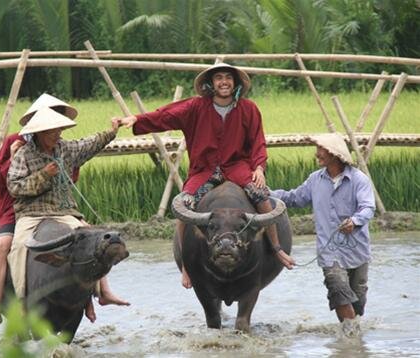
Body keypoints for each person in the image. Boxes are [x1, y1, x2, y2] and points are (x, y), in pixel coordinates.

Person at [117, 62, 295, 289]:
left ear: (235, 83)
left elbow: (258, 142)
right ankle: (185, 265)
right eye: (219, 78)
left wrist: (258, 168)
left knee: (262, 200)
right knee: (184, 206)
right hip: (204, 169)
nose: (224, 82)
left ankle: (277, 248)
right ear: (211, 84)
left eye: (228, 78)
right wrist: (137, 120)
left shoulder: (248, 109)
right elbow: (166, 115)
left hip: (237, 166)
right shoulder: (195, 107)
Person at [0, 94, 127, 331]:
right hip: (31, 214)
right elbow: (14, 187)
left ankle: (101, 292)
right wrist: (43, 175)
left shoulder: (65, 148)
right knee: (19, 247)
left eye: (59, 129)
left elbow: (88, 144)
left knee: (92, 237)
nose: (57, 134)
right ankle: (19, 302)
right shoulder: (22, 153)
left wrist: (111, 132)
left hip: (64, 210)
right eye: (52, 130)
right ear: (38, 131)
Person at [270, 133, 375, 336]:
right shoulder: (315, 180)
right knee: (338, 289)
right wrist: (266, 194)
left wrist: (354, 221)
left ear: (335, 154)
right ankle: (352, 343)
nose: (317, 154)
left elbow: (368, 208)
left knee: (358, 301)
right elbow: (294, 198)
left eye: (322, 150)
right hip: (330, 253)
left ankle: (350, 339)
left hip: (358, 252)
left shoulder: (359, 180)